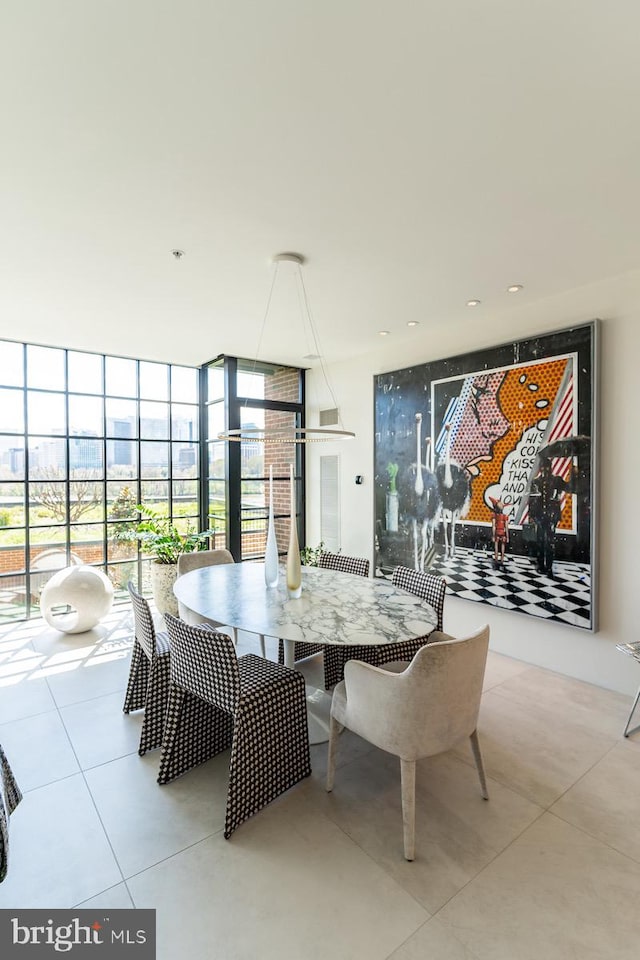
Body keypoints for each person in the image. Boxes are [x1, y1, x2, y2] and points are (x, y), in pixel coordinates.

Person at [527, 461, 569, 575]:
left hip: (552, 516)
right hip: (540, 516)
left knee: (550, 542)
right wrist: (531, 515)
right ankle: (541, 565)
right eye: (543, 467)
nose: (545, 470)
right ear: (540, 469)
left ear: (550, 468)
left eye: (547, 467)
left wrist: (574, 474)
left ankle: (549, 566)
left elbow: (570, 488)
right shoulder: (536, 481)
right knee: (540, 541)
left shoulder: (557, 480)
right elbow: (532, 499)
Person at [489, 496, 509, 565]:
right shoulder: (505, 516)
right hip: (503, 532)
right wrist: (507, 536)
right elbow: (506, 527)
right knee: (503, 546)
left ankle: (496, 559)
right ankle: (502, 560)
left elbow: (493, 526)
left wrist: (493, 535)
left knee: (496, 546)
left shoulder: (494, 516)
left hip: (497, 532)